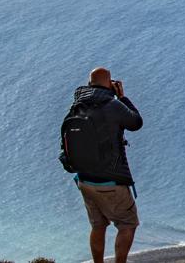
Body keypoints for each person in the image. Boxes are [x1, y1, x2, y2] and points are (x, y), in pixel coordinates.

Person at [61, 67, 143, 263]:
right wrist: (122, 97)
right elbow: (136, 122)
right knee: (127, 224)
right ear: (110, 84)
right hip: (111, 180)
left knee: (98, 226)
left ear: (89, 84)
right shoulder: (113, 105)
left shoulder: (76, 107)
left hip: (84, 179)